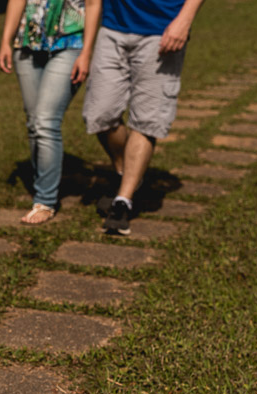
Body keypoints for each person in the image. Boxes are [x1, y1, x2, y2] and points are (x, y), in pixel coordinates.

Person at [83, 0, 205, 235]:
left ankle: (123, 201)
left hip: (162, 31)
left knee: (146, 120)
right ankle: (128, 174)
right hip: (113, 29)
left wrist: (184, 20)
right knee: (99, 114)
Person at [0, 0, 101, 225]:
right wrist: (6, 41)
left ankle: (45, 200)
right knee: (34, 122)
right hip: (27, 44)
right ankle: (42, 185)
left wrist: (87, 52)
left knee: (45, 122)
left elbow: (94, 4)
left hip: (70, 45)